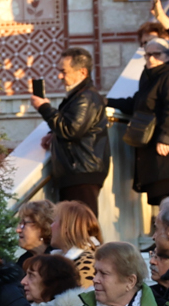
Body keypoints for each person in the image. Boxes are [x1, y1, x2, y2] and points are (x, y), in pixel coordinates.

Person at [107, 37, 169, 207]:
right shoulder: (150, 78)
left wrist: (166, 138)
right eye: (147, 55)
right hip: (154, 154)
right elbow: (136, 104)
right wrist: (106, 101)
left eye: (156, 54)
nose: (150, 58)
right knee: (164, 203)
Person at [31, 47, 110, 210]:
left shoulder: (86, 97)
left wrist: (44, 108)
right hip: (77, 171)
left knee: (81, 223)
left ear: (82, 72)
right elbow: (74, 125)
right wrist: (53, 134)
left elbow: (71, 130)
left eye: (64, 72)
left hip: (82, 172)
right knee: (72, 222)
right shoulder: (80, 95)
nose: (59, 76)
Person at [51, 199, 101, 288]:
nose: (51, 226)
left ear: (66, 227)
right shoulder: (68, 260)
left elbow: (84, 295)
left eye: (54, 221)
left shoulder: (87, 262)